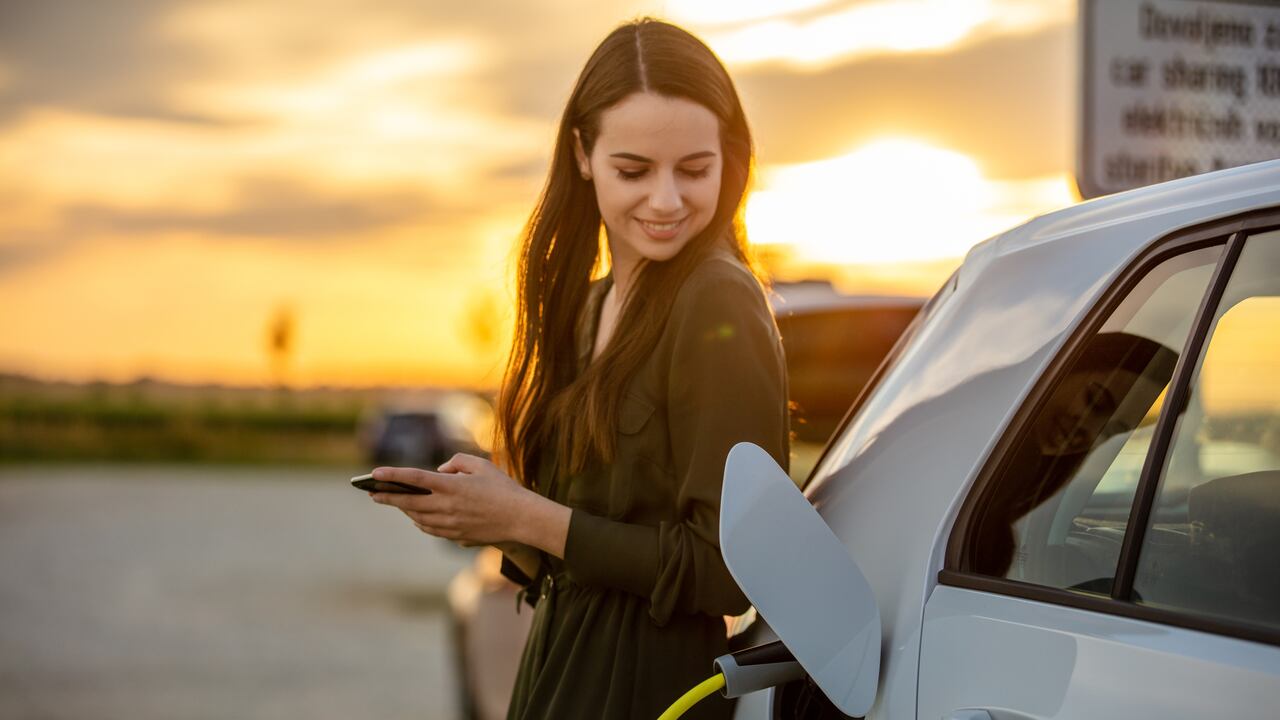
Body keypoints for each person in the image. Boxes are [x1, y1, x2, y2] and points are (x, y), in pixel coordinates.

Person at [367, 18, 790, 720]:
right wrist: (491, 517)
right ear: (582, 155)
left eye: (694, 169)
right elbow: (585, 546)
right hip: (559, 674)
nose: (666, 200)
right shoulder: (588, 307)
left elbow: (727, 573)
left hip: (649, 693)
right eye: (634, 170)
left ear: (730, 159)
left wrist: (528, 516)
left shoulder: (716, 300)